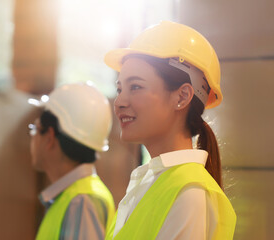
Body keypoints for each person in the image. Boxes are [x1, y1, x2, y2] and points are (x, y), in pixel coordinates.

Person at [103, 21, 236, 239]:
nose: (119, 101)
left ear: (182, 96)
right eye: (119, 89)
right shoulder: (151, 183)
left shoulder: (189, 192)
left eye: (135, 87)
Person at [28, 83, 115, 240]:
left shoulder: (81, 202)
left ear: (49, 137)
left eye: (35, 128)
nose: (32, 136)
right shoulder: (73, 198)